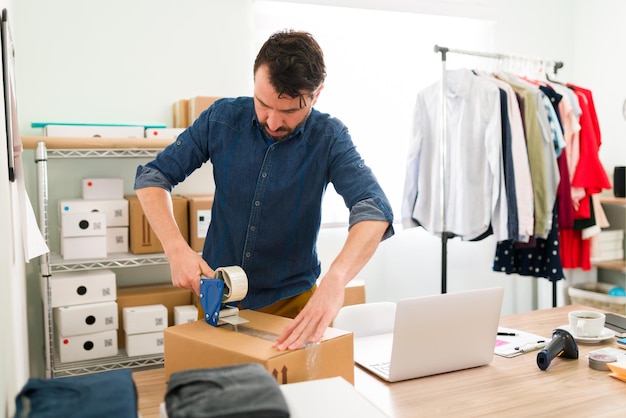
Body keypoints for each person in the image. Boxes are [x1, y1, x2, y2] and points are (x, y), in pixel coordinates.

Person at [134, 29, 394, 350]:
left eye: (289, 111)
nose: (272, 122)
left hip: (292, 305)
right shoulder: (221, 118)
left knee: (290, 395)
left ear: (317, 94)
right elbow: (153, 177)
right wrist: (176, 250)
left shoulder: (329, 137)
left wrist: (336, 280)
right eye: (263, 104)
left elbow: (374, 209)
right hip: (220, 294)